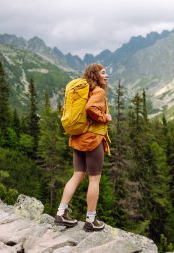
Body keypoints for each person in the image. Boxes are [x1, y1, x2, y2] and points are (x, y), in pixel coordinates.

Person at [54, 63, 112, 231]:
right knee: (94, 179)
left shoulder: (84, 91)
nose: (106, 75)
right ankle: (91, 220)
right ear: (96, 75)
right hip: (92, 139)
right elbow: (90, 108)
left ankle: (61, 213)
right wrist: (104, 117)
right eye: (103, 73)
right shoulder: (98, 91)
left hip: (78, 138)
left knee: (77, 175)